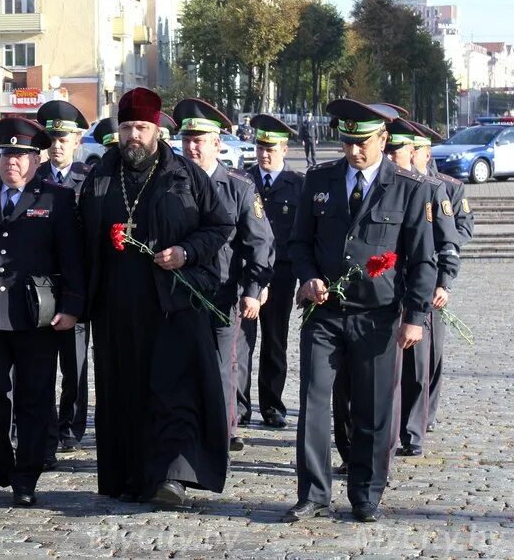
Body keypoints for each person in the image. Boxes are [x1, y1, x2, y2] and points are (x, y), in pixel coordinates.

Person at [79, 88, 235, 506]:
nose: (133, 136)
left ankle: (172, 476)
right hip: (116, 304)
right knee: (124, 393)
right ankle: (132, 476)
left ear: (157, 130)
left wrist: (186, 252)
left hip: (173, 302)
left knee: (173, 390)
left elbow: (220, 225)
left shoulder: (184, 174)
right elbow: (80, 241)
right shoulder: (100, 176)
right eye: (126, 127)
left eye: (141, 128)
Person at [286, 99, 435, 523]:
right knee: (315, 402)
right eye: (347, 142)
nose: (354, 151)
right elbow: (299, 244)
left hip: (378, 315)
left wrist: (415, 316)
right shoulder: (320, 180)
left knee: (372, 409)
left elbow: (423, 259)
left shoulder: (409, 187)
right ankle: (314, 493)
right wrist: (307, 276)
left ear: (383, 139)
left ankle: (366, 494)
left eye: (363, 143)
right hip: (324, 313)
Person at [0, 117, 84, 506]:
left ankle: (26, 476)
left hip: (37, 317)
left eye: (21, 156)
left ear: (35, 160)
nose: (12, 163)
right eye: (6, 155)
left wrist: (73, 307)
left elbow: (72, 259)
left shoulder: (56, 199)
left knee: (34, 398)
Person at [174, 99, 275, 454]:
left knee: (223, 365)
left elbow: (260, 243)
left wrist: (253, 288)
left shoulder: (239, 186)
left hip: (222, 293)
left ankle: (226, 427)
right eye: (187, 138)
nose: (192, 145)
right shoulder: (170, 182)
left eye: (200, 139)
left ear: (218, 143)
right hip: (177, 291)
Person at [384, 119, 460, 458]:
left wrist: (443, 282)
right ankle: (381, 430)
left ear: (412, 152)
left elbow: (447, 242)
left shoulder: (430, 188)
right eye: (387, 151)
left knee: (416, 365)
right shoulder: (378, 186)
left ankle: (412, 432)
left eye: (396, 151)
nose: (390, 157)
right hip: (383, 289)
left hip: (419, 287)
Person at [234, 115, 305, 430]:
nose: (265, 153)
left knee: (275, 340)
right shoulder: (243, 180)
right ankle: (240, 406)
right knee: (242, 341)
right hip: (247, 273)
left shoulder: (298, 184)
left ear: (284, 149)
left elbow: (304, 233)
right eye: (261, 146)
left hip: (282, 273)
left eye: (271, 148)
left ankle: (273, 405)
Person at [33, 100, 92, 462]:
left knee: (75, 362)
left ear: (77, 140)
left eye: (65, 138)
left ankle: (71, 426)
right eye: (53, 138)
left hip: (75, 282)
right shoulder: (32, 175)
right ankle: (42, 425)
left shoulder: (90, 177)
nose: (58, 145)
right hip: (39, 284)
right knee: (39, 362)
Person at [409, 122, 473, 434]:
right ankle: (409, 415)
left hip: (434, 273)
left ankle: (427, 413)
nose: (409, 156)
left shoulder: (449, 187)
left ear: (426, 152)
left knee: (431, 353)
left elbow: (462, 228)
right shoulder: (401, 184)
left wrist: (439, 251)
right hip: (408, 278)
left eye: (415, 151)